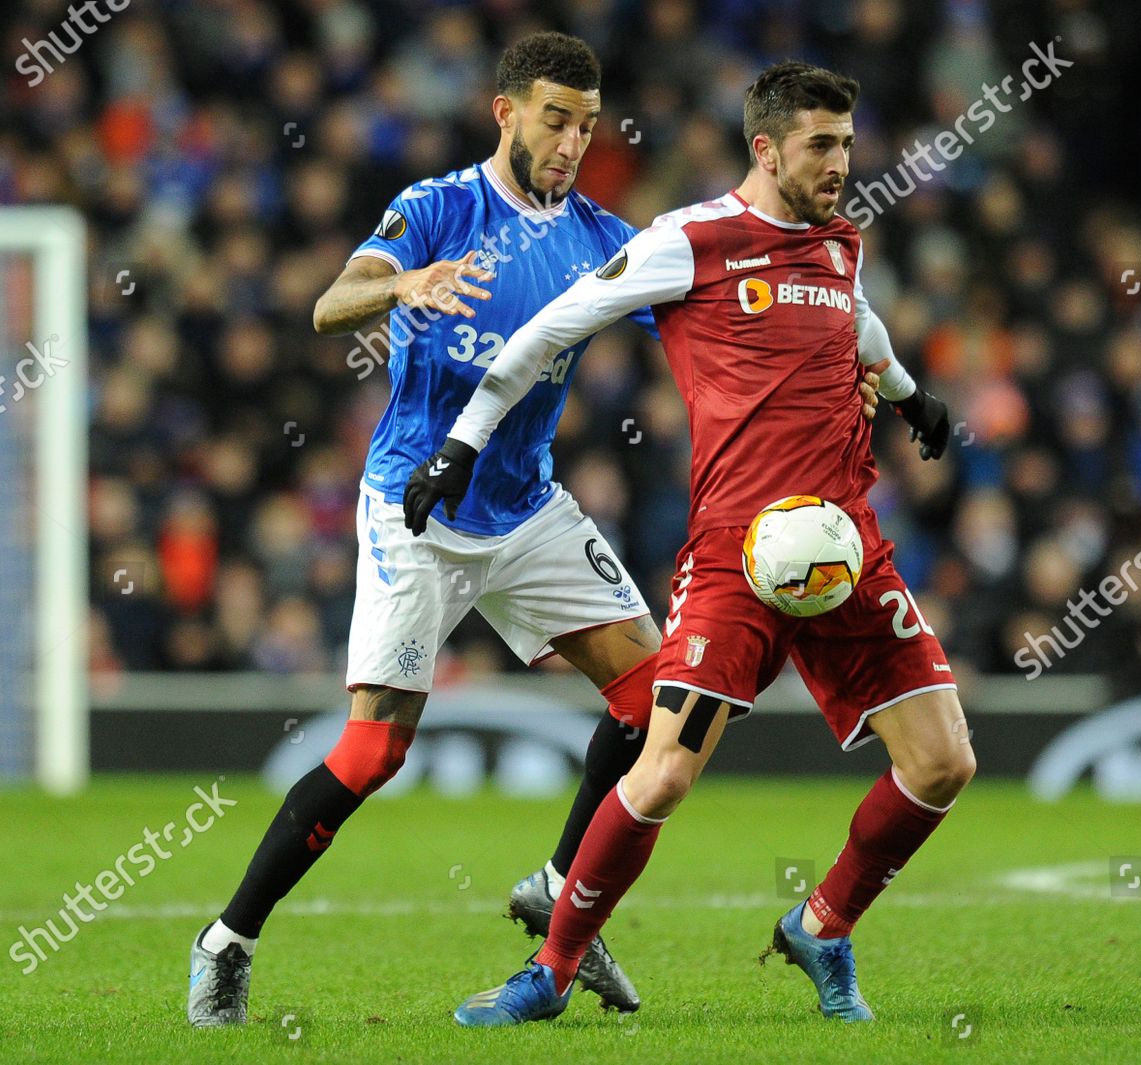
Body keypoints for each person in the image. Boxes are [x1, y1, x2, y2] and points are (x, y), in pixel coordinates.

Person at [187, 35, 882, 1027]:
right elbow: (326, 304)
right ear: (505, 112)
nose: (572, 142)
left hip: (529, 508)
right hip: (417, 506)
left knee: (664, 710)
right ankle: (228, 941)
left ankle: (560, 891)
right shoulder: (436, 208)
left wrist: (835, 362)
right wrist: (403, 287)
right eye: (555, 119)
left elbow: (716, 317)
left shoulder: (597, 233)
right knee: (374, 754)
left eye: (588, 125)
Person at [411, 60, 974, 1027]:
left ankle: (824, 924)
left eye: (847, 143)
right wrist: (462, 446)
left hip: (845, 546)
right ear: (765, 148)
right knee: (663, 771)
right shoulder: (690, 241)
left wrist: (912, 393)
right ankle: (550, 969)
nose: (842, 163)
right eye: (821, 146)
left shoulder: (842, 245)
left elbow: (859, 322)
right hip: (733, 554)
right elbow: (549, 330)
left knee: (943, 763)